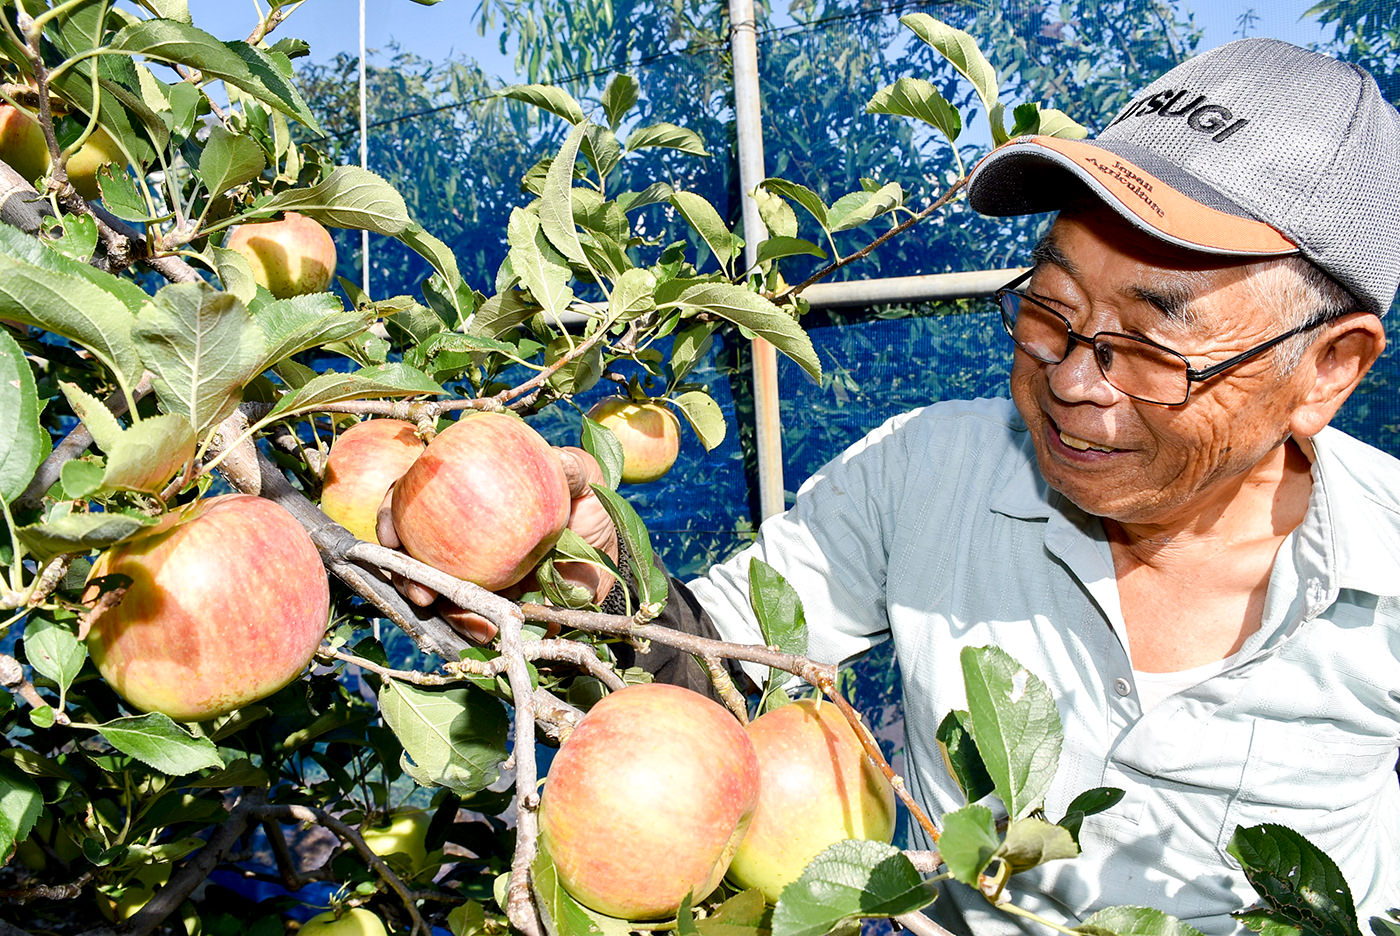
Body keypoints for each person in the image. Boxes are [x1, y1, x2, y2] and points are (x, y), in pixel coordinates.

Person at [384, 37, 1400, 936]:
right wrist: (597, 576)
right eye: (1049, 308)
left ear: (1327, 370)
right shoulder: (925, 471)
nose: (1070, 380)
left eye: (1146, 344)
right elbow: (718, 661)